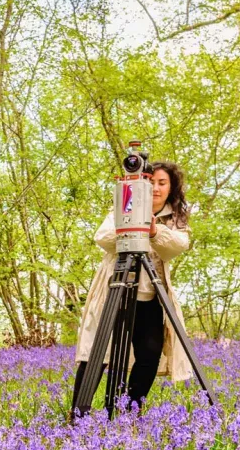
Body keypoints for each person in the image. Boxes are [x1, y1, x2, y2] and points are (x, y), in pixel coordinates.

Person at [73, 160, 199, 410]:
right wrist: (134, 225)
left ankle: (130, 409)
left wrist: (153, 233)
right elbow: (103, 237)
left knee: (150, 354)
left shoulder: (175, 218)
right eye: (151, 182)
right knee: (97, 352)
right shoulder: (123, 206)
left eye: (162, 183)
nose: (155, 188)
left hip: (150, 297)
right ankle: (78, 415)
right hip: (115, 292)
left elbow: (177, 246)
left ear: (171, 187)